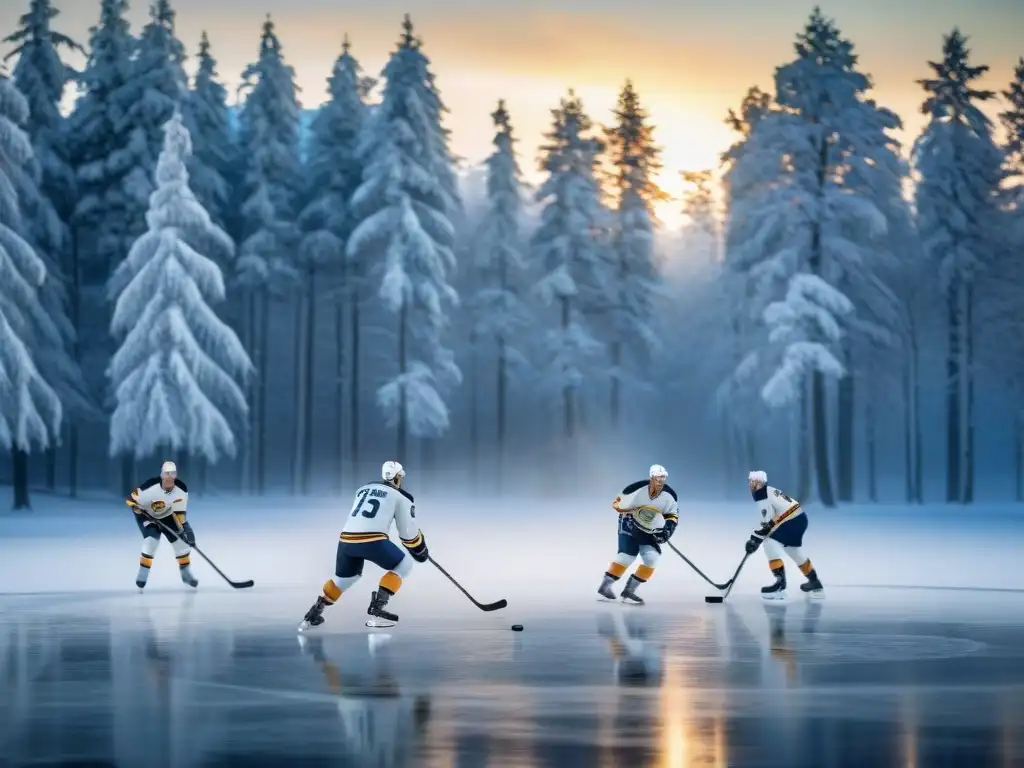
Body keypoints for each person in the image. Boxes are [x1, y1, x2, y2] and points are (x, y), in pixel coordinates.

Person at [299, 461, 428, 631]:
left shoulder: (362, 490)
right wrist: (420, 549)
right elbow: (407, 533)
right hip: (372, 541)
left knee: (345, 579)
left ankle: (313, 613)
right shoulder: (402, 497)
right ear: (397, 477)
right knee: (404, 565)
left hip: (345, 542)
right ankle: (378, 607)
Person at [597, 464, 679, 605]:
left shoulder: (670, 496)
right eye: (658, 478)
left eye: (663, 478)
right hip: (629, 522)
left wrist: (666, 532)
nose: (660, 481)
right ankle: (606, 585)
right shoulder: (635, 490)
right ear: (651, 478)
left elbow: (672, 516)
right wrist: (627, 510)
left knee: (651, 557)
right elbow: (618, 504)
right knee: (627, 555)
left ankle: (630, 590)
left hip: (649, 528)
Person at [744, 471, 824, 599]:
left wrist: (755, 540)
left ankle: (780, 585)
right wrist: (755, 538)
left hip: (792, 520)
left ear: (762, 483)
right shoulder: (769, 490)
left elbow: (766, 523)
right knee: (793, 550)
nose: (751, 485)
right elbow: (769, 521)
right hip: (800, 519)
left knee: (769, 543)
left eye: (755, 482)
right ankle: (815, 583)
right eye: (750, 481)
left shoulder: (762, 495)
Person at [126, 461, 197, 589]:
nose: (169, 477)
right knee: (151, 541)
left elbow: (180, 515)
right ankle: (143, 574)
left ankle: (186, 574)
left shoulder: (182, 489)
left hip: (168, 514)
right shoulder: (149, 487)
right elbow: (131, 499)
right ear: (162, 475)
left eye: (173, 474)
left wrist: (187, 531)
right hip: (147, 515)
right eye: (167, 474)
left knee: (181, 543)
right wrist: (136, 507)